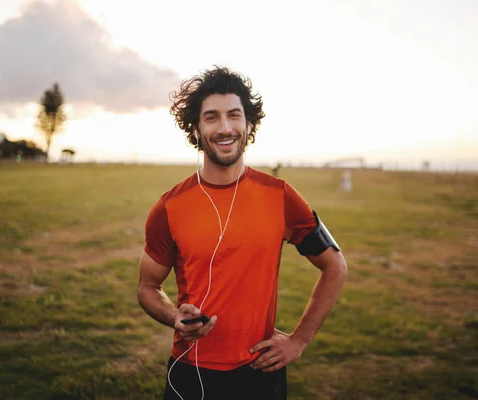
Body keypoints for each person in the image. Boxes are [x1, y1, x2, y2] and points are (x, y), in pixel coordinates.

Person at [137, 66, 348, 400]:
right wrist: (173, 315)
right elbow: (148, 287)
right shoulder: (169, 207)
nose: (225, 127)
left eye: (234, 115)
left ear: (249, 125)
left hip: (259, 373)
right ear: (195, 128)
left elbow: (335, 266)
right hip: (190, 372)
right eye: (211, 117)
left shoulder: (280, 196)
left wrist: (298, 340)